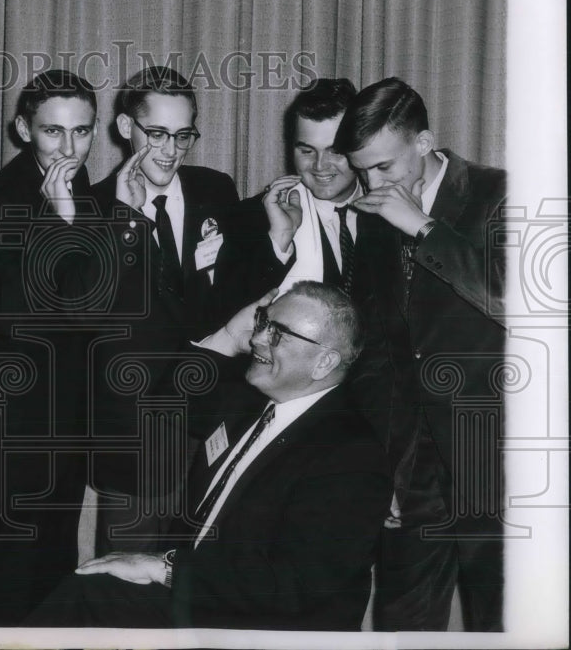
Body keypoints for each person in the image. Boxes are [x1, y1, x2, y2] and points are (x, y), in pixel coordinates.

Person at [26, 282, 392, 630]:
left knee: (88, 596)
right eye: (263, 323)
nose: (257, 338)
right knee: (86, 588)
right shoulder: (251, 403)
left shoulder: (351, 454)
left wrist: (165, 569)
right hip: (206, 599)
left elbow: (296, 586)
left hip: (264, 626)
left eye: (277, 333)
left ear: (324, 363)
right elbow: (171, 404)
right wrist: (229, 336)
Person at [333, 76, 507, 631]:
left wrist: (425, 228)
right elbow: (375, 349)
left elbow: (515, 297)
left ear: (425, 141)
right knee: (401, 617)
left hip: (495, 450)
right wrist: (387, 458)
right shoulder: (374, 215)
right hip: (411, 456)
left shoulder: (499, 192)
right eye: (362, 170)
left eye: (384, 166)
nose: (371, 182)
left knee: (497, 614)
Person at [0, 69, 98, 626]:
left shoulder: (78, 191)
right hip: (11, 426)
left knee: (53, 568)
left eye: (82, 132)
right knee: (1, 574)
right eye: (53, 132)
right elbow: (13, 316)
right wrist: (64, 221)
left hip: (62, 420)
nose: (69, 147)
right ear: (22, 129)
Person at [89, 66, 247, 555]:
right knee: (124, 588)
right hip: (135, 433)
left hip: (209, 425)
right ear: (124, 129)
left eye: (183, 135)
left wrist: (279, 243)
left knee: (193, 580)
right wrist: (128, 221)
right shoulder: (88, 208)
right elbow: (102, 318)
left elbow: (238, 294)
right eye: (156, 134)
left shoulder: (216, 190)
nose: (170, 150)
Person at [245, 78, 362, 294]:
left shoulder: (390, 212)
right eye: (307, 151)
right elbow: (231, 312)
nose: (319, 166)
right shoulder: (256, 215)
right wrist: (280, 238)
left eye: (335, 151)